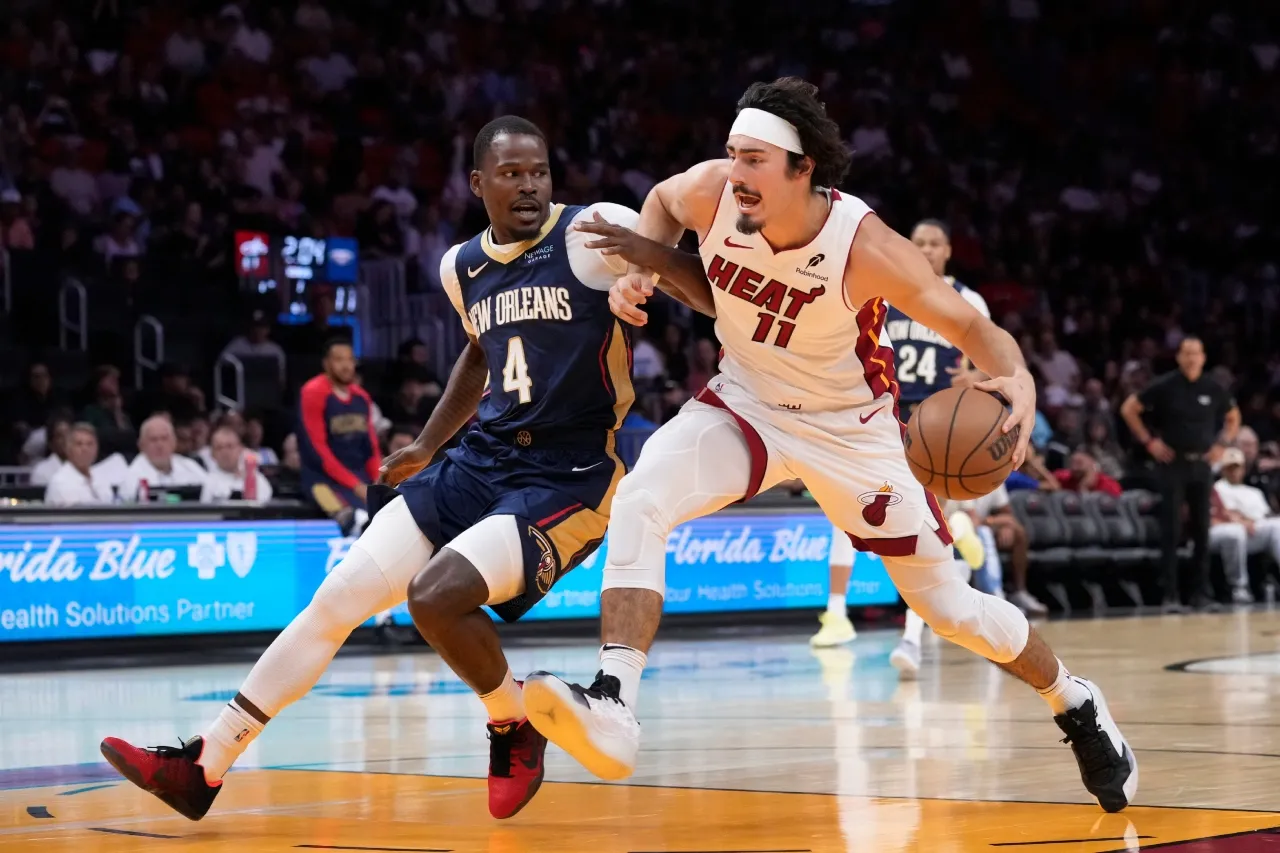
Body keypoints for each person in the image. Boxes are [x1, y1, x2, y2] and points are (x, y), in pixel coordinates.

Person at [524, 78, 1137, 814]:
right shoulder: (712, 192)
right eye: (732, 154)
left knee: (948, 606)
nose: (736, 172)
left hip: (852, 432)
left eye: (754, 159)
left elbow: (974, 330)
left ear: (802, 167)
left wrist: (1019, 379)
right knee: (644, 492)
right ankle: (614, 699)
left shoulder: (865, 246)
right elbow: (659, 203)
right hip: (747, 399)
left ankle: (1075, 701)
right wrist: (640, 271)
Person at [98, 116, 701, 823]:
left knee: (434, 594)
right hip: (481, 460)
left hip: (566, 475)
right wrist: (428, 442)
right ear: (478, 183)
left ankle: (510, 726)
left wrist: (645, 268)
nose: (529, 185)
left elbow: (679, 262)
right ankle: (206, 763)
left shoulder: (592, 229)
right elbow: (479, 353)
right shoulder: (461, 266)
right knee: (337, 598)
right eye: (511, 174)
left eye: (538, 171)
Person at [1120, 337, 1240, 611]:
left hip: (1202, 464)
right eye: (1186, 353)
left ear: (1203, 357)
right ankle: (1170, 596)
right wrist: (1149, 442)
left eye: (1195, 353)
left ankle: (1200, 594)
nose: (1191, 358)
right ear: (1178, 357)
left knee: (1201, 529)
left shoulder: (1213, 387)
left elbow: (1233, 416)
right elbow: (1129, 409)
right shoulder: (1165, 385)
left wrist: (1223, 444)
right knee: (1171, 529)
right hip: (1173, 463)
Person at [296, 339, 382, 528]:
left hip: (359, 476)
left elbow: (371, 449)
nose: (346, 366)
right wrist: (355, 485)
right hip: (323, 478)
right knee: (351, 518)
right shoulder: (313, 392)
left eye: (350, 360)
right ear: (326, 364)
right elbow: (317, 451)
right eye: (339, 360)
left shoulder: (362, 397)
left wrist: (378, 481)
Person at [1212, 447, 1280, 602]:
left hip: (1254, 532)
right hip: (1230, 531)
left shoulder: (1254, 492)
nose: (1234, 472)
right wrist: (1243, 522)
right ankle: (1238, 587)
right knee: (1235, 532)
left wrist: (1254, 522)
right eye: (1230, 468)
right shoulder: (1218, 488)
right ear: (1223, 470)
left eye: (1237, 467)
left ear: (1243, 469)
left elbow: (1266, 515)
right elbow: (1225, 514)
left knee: (1278, 525)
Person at [121, 415, 208, 500]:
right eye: (153, 439)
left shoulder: (190, 467)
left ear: (174, 443)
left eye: (164, 438)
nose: (159, 445)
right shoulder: (131, 478)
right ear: (141, 445)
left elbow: (211, 492)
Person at [43, 423, 114, 505]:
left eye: (90, 444)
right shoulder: (61, 482)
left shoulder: (101, 477)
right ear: (68, 449)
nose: (85, 449)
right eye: (79, 444)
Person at [199, 425, 273, 503]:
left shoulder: (256, 478)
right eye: (219, 448)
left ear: (240, 449)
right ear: (212, 454)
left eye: (229, 446)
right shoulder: (208, 481)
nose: (225, 452)